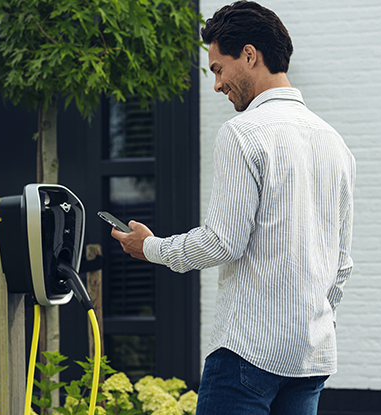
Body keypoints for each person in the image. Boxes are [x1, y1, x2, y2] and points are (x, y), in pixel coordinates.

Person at [110, 2, 355, 414]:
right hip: (311, 358)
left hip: (247, 354)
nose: (217, 85)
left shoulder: (242, 133)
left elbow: (223, 243)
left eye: (218, 69)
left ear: (249, 54)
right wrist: (314, 324)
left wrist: (151, 247)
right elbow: (342, 264)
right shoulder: (334, 142)